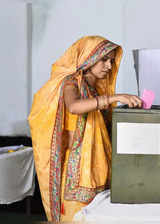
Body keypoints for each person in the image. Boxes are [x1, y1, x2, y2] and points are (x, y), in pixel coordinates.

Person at [28, 36, 142, 222]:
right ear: (88, 58)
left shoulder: (94, 88)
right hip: (76, 174)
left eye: (111, 61)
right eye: (104, 60)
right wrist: (113, 98)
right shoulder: (70, 83)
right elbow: (74, 106)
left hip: (97, 165)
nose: (109, 66)